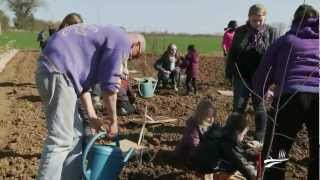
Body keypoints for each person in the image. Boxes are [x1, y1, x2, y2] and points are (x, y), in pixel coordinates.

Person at [35, 21, 145, 180]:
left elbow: (83, 87)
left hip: (55, 69)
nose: (127, 59)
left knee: (76, 134)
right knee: (60, 139)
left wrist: (93, 117)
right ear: (137, 45)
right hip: (57, 71)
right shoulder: (121, 39)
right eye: (132, 56)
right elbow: (110, 89)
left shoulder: (105, 37)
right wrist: (113, 121)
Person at [253, 4, 319, 180]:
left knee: (279, 148)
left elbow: (263, 72)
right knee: (318, 151)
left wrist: (261, 93)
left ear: (295, 20)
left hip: (290, 98)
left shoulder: (285, 40)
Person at [225, 4, 277, 142]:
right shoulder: (241, 31)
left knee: (260, 107)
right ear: (249, 18)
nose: (257, 23)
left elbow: (275, 54)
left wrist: (274, 76)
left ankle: (260, 137)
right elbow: (233, 53)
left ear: (265, 18)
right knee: (239, 106)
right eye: (254, 20)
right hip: (242, 75)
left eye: (260, 20)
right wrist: (229, 73)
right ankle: (233, 135)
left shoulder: (271, 31)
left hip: (261, 77)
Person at [191, 112, 258, 180]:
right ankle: (217, 177)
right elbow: (242, 164)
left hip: (196, 161)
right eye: (243, 135)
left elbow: (237, 150)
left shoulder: (221, 131)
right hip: (205, 168)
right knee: (234, 166)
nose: (243, 137)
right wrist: (254, 176)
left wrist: (246, 148)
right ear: (237, 132)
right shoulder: (229, 144)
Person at [174, 96, 220, 167]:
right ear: (201, 116)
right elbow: (195, 147)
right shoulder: (193, 130)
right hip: (188, 155)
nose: (211, 120)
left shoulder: (209, 124)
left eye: (213, 117)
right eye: (208, 117)